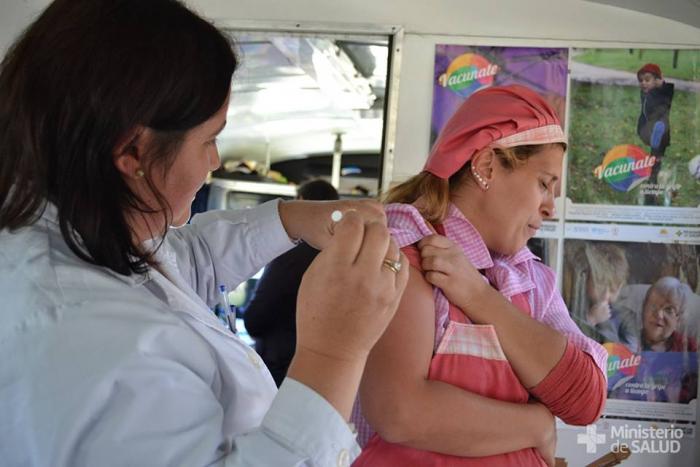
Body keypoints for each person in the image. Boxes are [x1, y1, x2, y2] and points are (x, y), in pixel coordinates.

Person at [0, 1, 409, 466]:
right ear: (133, 150)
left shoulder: (79, 234)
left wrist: (294, 218)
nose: (215, 162)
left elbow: (183, 257)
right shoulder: (91, 339)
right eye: (210, 140)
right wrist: (334, 351)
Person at [351, 85, 608, 467]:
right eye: (544, 183)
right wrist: (536, 425)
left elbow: (585, 400)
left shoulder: (530, 278)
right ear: (487, 165)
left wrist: (479, 296)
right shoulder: (405, 248)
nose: (551, 207)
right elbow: (400, 411)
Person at [244, 179, 340, 386]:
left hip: (280, 364)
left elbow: (255, 320)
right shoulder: (342, 254)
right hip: (325, 369)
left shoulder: (290, 254)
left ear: (302, 203)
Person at [563, 241, 636, 349]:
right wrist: (591, 320)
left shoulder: (625, 316)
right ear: (587, 281)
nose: (605, 296)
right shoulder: (576, 306)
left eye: (613, 290)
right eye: (600, 286)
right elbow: (570, 339)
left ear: (621, 287)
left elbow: (631, 348)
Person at [636, 63, 674, 204]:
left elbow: (668, 93)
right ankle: (655, 147)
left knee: (655, 161)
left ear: (656, 81)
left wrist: (662, 83)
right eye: (641, 80)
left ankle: (651, 194)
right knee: (654, 134)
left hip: (660, 131)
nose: (643, 83)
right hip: (647, 129)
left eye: (647, 79)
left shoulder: (662, 93)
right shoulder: (646, 93)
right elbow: (647, 91)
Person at [641, 277, 698, 353]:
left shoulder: (690, 348)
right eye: (653, 306)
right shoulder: (625, 340)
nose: (659, 315)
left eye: (669, 310)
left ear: (679, 319)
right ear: (644, 308)